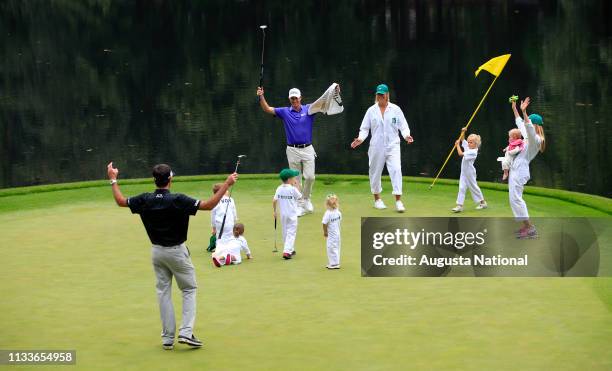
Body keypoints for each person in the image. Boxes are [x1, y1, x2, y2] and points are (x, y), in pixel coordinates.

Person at [106, 162, 237, 350]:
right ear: (170, 179)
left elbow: (120, 201)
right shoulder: (178, 199)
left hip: (157, 252)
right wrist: (226, 184)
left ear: (154, 180)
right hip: (176, 251)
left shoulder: (145, 199)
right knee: (189, 289)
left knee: (163, 293)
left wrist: (113, 179)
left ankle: (168, 338)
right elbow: (208, 205)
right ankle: (185, 332)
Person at [256, 85, 330, 216]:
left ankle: (306, 200)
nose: (294, 101)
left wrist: (334, 91)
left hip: (307, 149)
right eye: (292, 99)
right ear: (289, 99)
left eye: (296, 98)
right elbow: (267, 109)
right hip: (292, 150)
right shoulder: (285, 111)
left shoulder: (309, 109)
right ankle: (300, 204)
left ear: (300, 98)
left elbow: (324, 101)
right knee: (296, 179)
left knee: (310, 177)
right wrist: (261, 96)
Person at [350, 84, 414, 212]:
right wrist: (360, 139)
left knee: (396, 170)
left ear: (387, 95)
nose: (380, 97)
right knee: (375, 172)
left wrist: (406, 136)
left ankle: (398, 201)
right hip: (376, 146)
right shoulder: (371, 110)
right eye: (378, 95)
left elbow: (404, 126)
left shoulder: (395, 109)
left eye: (382, 95)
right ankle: (377, 199)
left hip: (393, 145)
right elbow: (364, 128)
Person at [509, 97, 546, 238]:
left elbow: (528, 128)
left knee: (516, 199)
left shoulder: (537, 139)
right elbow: (521, 124)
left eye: (529, 122)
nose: (526, 124)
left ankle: (530, 228)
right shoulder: (528, 135)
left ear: (535, 125)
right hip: (516, 168)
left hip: (520, 170)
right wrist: (515, 109)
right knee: (514, 199)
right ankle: (526, 227)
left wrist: (524, 112)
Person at [451, 128, 487, 213]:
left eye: (471, 142)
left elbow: (460, 154)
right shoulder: (469, 146)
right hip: (464, 172)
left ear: (476, 144)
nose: (469, 143)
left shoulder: (473, 151)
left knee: (474, 187)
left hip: (470, 172)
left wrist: (457, 146)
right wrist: (463, 132)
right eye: (469, 142)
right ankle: (459, 206)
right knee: (462, 188)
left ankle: (483, 203)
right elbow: (463, 139)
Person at [273, 168, 302, 260]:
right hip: (292, 215)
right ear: (289, 179)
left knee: (285, 232)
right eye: (294, 178)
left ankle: (290, 249)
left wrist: (274, 211)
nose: (295, 179)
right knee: (291, 233)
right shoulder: (293, 189)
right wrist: (297, 185)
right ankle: (287, 251)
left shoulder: (279, 188)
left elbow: (274, 200)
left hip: (283, 214)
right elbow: (300, 196)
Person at [322, 194, 342, 269]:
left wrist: (325, 232)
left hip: (331, 234)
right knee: (336, 247)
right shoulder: (338, 212)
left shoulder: (328, 213)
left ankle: (334, 264)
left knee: (331, 247)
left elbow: (324, 223)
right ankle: (334, 262)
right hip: (337, 234)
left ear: (327, 204)